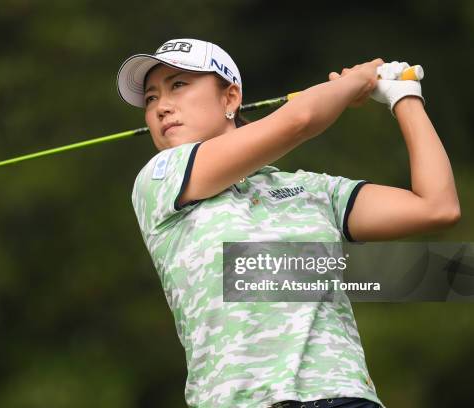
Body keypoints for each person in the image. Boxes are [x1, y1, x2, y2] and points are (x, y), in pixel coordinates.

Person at [116, 38, 460, 408]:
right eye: (151, 99)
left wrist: (404, 97)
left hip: (344, 395)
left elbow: (436, 206)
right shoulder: (160, 177)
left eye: (178, 85)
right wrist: (349, 84)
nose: (162, 107)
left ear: (230, 99)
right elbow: (299, 120)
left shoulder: (311, 189)